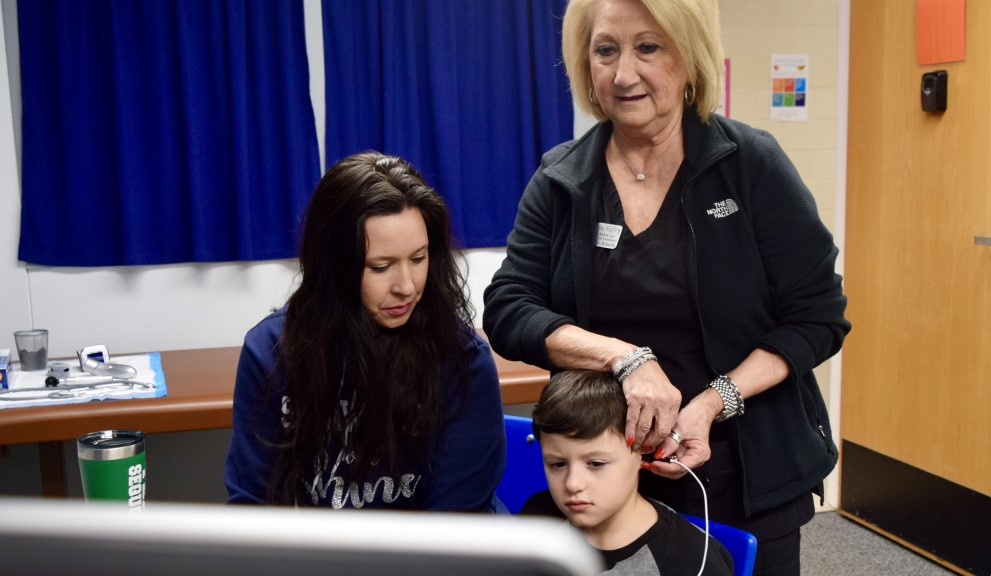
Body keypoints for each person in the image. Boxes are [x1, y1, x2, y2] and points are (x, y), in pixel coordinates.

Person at [483, 0, 851, 572]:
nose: (624, 74)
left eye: (648, 47)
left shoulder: (750, 164)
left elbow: (818, 314)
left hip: (747, 473)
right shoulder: (563, 179)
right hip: (608, 479)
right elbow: (508, 308)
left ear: (689, 57)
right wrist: (627, 359)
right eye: (606, 50)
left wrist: (711, 403)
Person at [226, 151, 506, 511]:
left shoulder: (463, 360)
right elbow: (254, 505)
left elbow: (455, 525)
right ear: (333, 267)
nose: (406, 286)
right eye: (381, 266)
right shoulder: (269, 354)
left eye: (419, 259)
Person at [525, 369, 733, 575]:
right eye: (557, 464)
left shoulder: (691, 558)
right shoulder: (539, 517)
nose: (573, 484)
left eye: (596, 464)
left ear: (643, 450)